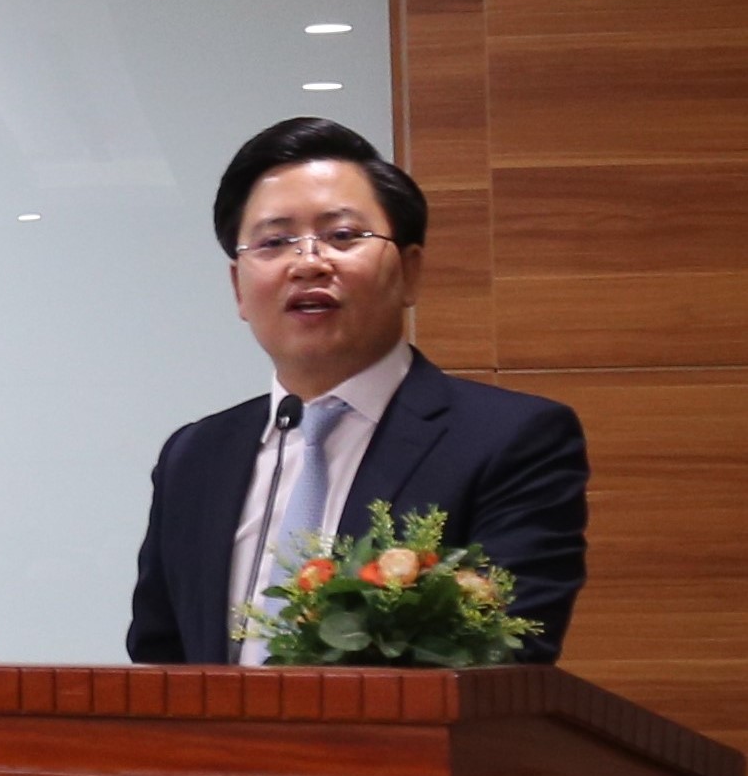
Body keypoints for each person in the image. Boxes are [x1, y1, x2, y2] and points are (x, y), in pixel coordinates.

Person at [127, 119, 586, 665]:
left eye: (342, 236)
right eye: (274, 242)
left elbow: (508, 653)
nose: (308, 263)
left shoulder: (509, 441)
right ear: (238, 290)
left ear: (409, 272)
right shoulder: (196, 456)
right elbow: (160, 657)